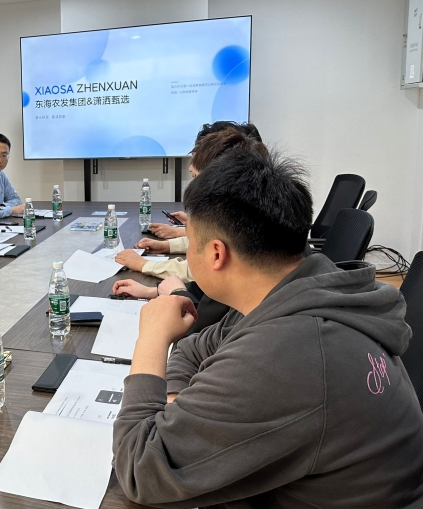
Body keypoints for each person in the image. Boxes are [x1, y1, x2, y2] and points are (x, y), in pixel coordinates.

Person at [113, 145, 423, 507]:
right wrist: (177, 404)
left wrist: (151, 338)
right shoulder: (294, 289)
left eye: (191, 243)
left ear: (216, 253)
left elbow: (139, 471)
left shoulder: (288, 353)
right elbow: (194, 346)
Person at [115, 125, 265, 283]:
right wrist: (167, 246)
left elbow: (201, 268)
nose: (190, 168)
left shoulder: (236, 209)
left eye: (196, 175)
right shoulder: (252, 198)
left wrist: (145, 265)